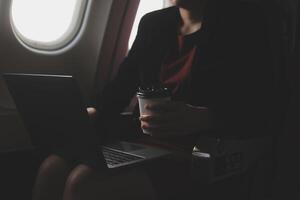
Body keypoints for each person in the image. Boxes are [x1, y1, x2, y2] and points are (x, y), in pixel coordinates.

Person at [32, 0, 273, 199]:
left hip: (194, 151)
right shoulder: (153, 24)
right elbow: (120, 87)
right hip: (141, 141)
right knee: (51, 168)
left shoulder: (243, 24)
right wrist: (95, 111)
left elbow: (262, 110)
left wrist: (206, 118)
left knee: (81, 183)